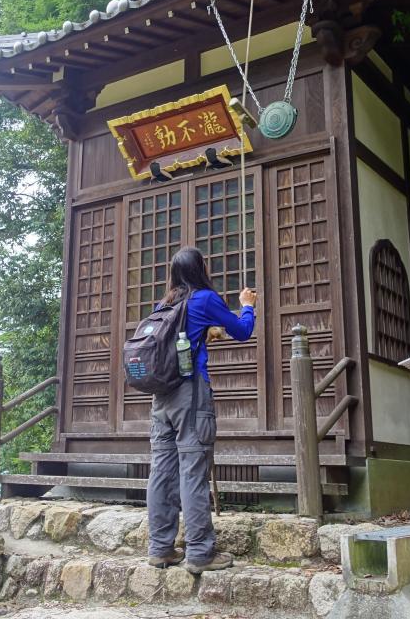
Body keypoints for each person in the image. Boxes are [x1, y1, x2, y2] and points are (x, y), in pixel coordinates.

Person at [147, 246, 257, 574]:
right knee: (193, 469)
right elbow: (242, 331)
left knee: (162, 471)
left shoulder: (165, 303)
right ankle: (199, 553)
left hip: (160, 396)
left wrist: (206, 332)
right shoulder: (205, 298)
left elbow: (178, 336)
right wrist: (247, 306)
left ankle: (161, 549)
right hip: (191, 394)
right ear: (201, 269)